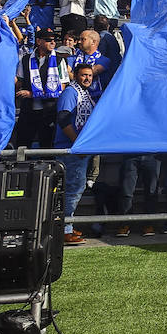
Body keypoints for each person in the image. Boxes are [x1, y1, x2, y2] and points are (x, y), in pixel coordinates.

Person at [56, 61, 99, 245]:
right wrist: (77, 144)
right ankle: (64, 230)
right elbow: (63, 120)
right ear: (75, 75)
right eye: (83, 75)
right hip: (70, 149)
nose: (87, 78)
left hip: (79, 149)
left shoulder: (85, 94)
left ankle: (68, 226)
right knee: (72, 190)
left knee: (75, 188)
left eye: (89, 75)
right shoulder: (71, 92)